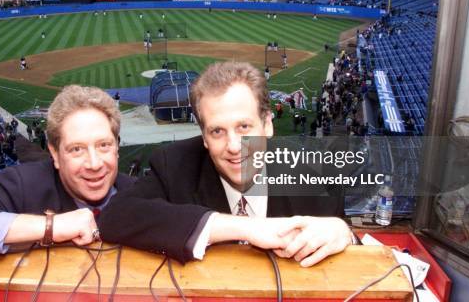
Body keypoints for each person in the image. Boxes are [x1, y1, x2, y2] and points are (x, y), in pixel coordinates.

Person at [100, 62, 356, 265]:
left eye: (244, 127)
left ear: (267, 124)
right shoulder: (174, 165)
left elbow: (356, 255)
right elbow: (115, 217)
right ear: (204, 138)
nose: (234, 146)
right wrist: (246, 228)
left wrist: (344, 232)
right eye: (217, 132)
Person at [0, 86, 135, 254]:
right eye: (77, 149)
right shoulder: (24, 186)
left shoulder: (143, 193)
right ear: (55, 154)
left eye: (103, 145)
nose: (94, 164)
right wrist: (50, 227)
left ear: (116, 146)